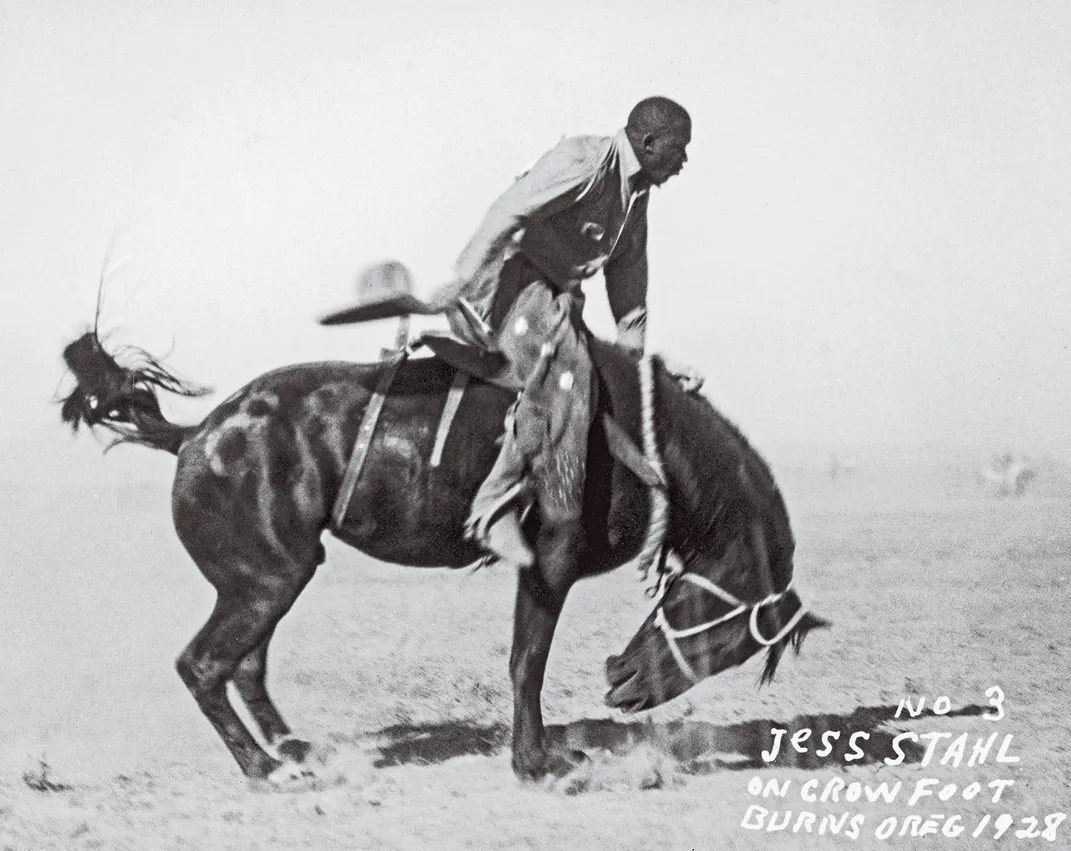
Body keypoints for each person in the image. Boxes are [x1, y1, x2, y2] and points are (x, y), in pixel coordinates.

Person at [439, 96, 692, 570]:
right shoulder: (583, 162)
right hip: (507, 285)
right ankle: (492, 508)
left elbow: (629, 286)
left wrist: (636, 363)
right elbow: (507, 213)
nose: (683, 162)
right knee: (567, 371)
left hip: (553, 299)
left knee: (604, 373)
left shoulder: (637, 197)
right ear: (650, 142)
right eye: (679, 149)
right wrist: (461, 280)